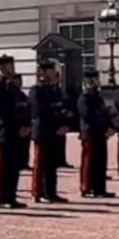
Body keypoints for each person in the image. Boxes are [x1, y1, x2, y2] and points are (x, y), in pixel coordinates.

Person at [0, 56, 27, 209]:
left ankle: (10, 196)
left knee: (13, 166)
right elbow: (0, 112)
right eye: (8, 66)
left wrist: (24, 125)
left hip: (15, 132)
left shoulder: (13, 87)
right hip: (3, 131)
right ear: (1, 68)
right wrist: (16, 126)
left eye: (12, 65)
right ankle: (0, 198)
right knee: (2, 167)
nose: (11, 69)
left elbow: (21, 107)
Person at [29, 60, 67, 203]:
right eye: (49, 71)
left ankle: (50, 191)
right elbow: (40, 111)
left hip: (54, 132)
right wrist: (56, 122)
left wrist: (63, 124)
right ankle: (38, 191)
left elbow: (62, 108)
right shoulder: (36, 90)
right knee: (41, 163)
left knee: (52, 164)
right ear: (42, 73)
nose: (53, 74)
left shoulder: (55, 90)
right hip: (43, 130)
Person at [76, 70, 113, 199]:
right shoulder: (84, 98)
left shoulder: (98, 97)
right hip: (90, 133)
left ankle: (99, 188)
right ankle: (87, 187)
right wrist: (102, 127)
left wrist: (109, 127)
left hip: (101, 134)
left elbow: (104, 113)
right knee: (89, 162)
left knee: (101, 162)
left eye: (96, 80)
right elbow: (88, 117)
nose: (96, 83)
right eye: (92, 80)